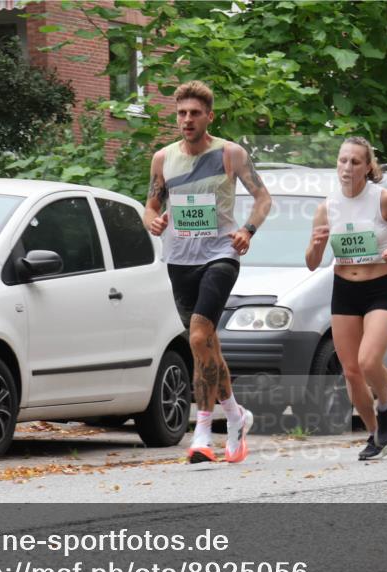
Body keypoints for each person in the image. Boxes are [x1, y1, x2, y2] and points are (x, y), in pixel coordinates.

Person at [143, 81, 272, 464]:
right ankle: (235, 415)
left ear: (209, 117)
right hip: (179, 259)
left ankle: (201, 429)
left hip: (220, 255)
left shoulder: (230, 154)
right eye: (182, 113)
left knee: (198, 335)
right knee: (206, 344)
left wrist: (247, 230)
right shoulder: (162, 159)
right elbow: (150, 206)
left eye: (194, 113)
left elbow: (263, 199)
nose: (187, 119)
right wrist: (153, 221)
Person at [305, 137, 387, 460]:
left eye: (355, 162)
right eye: (342, 161)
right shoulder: (326, 207)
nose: (347, 168)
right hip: (344, 290)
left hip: (379, 287)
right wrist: (315, 243)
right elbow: (312, 263)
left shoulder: (385, 199)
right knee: (351, 370)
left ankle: (385, 405)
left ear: (368, 167)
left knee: (369, 361)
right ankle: (375, 435)